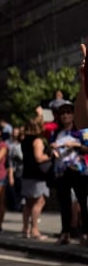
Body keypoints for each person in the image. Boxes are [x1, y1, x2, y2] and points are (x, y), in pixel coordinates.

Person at [48, 99, 88, 245]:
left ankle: (85, 232)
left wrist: (75, 145)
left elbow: (86, 148)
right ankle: (65, 232)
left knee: (83, 202)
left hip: (78, 170)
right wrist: (52, 148)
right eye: (62, 113)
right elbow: (50, 150)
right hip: (61, 171)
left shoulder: (81, 131)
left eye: (68, 113)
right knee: (64, 204)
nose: (65, 116)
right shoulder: (56, 132)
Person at [20, 116, 53, 239]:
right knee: (39, 201)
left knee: (28, 202)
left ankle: (25, 228)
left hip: (26, 173)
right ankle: (34, 229)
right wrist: (50, 155)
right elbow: (39, 158)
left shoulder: (24, 140)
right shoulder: (37, 141)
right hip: (37, 175)